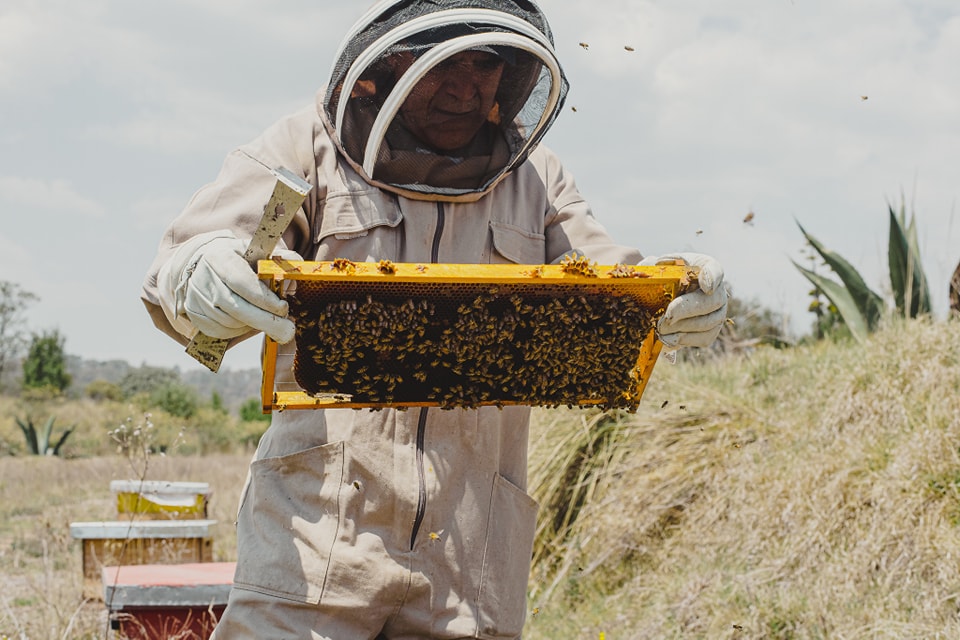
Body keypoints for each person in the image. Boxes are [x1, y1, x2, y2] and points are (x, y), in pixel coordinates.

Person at [141, 1, 728, 637]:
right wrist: (198, 268)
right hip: (313, 547)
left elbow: (613, 282)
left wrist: (681, 287)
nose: (464, 87)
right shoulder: (306, 146)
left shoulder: (536, 180)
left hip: (470, 564)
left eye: (486, 63)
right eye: (442, 62)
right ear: (391, 58)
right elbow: (197, 252)